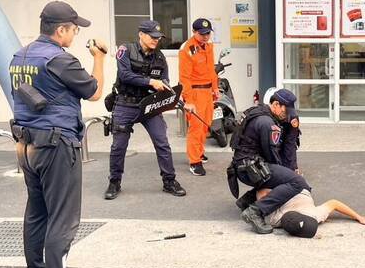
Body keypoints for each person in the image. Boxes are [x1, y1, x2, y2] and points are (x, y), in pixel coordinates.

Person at [10, 1, 105, 268]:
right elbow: (94, 91)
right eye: (74, 30)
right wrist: (100, 58)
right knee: (63, 215)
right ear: (61, 29)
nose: (75, 36)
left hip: (26, 144)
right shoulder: (61, 60)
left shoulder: (19, 55)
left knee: (37, 211)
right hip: (56, 145)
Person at [103, 20, 186, 200]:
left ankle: (169, 181)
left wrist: (167, 89)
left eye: (158, 37)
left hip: (149, 105)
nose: (156, 40)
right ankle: (114, 181)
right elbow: (124, 75)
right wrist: (150, 82)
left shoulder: (160, 57)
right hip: (125, 104)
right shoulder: (125, 50)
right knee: (119, 146)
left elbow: (164, 80)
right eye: (152, 36)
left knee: (162, 143)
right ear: (141, 34)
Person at [228, 89, 311, 234]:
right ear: (276, 104)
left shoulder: (261, 112)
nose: (288, 115)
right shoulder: (267, 123)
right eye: (286, 111)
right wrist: (289, 176)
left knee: (290, 179)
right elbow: (273, 156)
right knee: (297, 183)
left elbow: (286, 146)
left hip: (247, 165)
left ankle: (248, 200)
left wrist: (292, 130)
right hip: (250, 169)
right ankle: (255, 212)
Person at [179, 18, 219, 176]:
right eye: (202, 34)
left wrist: (215, 88)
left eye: (208, 33)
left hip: (208, 92)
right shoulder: (187, 49)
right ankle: (194, 161)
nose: (205, 36)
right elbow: (184, 77)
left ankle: (199, 152)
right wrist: (188, 100)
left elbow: (211, 69)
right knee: (196, 128)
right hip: (194, 93)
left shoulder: (208, 46)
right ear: (194, 32)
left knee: (205, 124)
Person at [256, 187, 365, 238]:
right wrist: (359, 217)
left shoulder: (274, 220)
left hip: (286, 188)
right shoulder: (314, 216)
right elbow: (334, 203)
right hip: (300, 188)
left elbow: (261, 193)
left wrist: (359, 217)